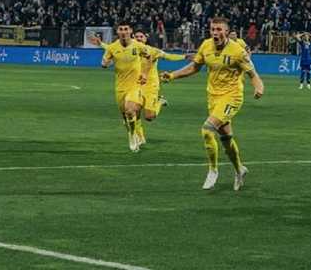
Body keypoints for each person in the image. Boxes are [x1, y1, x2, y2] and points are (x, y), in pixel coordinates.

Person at [160, 17, 265, 191]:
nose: (215, 33)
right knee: (226, 139)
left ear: (226, 31)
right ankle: (239, 169)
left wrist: (258, 88)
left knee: (207, 129)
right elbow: (194, 67)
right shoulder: (206, 45)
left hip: (232, 97)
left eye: (218, 29)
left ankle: (212, 170)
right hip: (213, 97)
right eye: (212, 29)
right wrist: (172, 75)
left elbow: (253, 74)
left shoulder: (238, 51)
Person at [89, 22, 152, 153]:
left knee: (130, 110)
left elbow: (149, 57)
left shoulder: (138, 46)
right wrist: (105, 63)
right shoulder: (112, 48)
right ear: (117, 32)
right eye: (121, 29)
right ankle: (132, 133)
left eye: (126, 29)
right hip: (120, 87)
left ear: (130, 31)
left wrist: (145, 73)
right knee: (126, 117)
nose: (123, 32)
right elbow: (104, 63)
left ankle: (133, 136)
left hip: (135, 86)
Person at [132, 29, 189, 142]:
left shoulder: (153, 51)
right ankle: (140, 137)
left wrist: (184, 57)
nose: (138, 39)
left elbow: (169, 56)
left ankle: (160, 102)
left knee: (149, 117)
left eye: (141, 36)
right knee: (134, 111)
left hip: (151, 86)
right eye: (136, 37)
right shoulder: (131, 51)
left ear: (145, 38)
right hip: (136, 85)